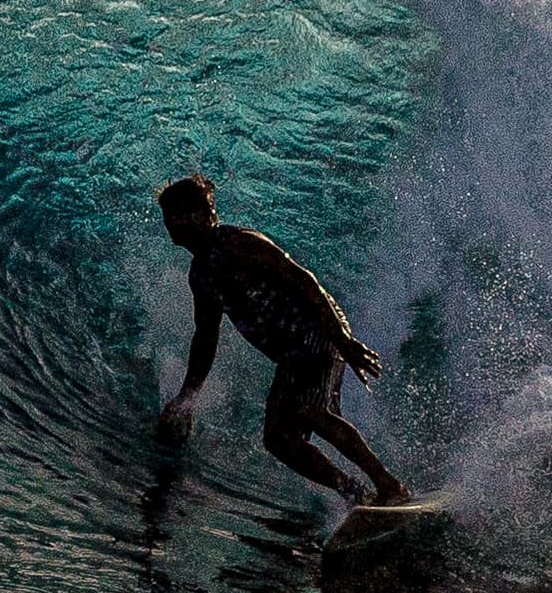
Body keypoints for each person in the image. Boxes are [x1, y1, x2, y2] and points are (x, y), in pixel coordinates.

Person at [155, 174, 414, 506]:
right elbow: (206, 338)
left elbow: (302, 280)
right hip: (292, 355)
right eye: (168, 217)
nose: (171, 224)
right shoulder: (202, 274)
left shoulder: (239, 243)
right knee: (278, 440)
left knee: (311, 412)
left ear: (202, 215)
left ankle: (389, 486)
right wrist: (187, 398)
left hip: (316, 332)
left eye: (178, 214)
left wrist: (343, 340)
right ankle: (355, 493)